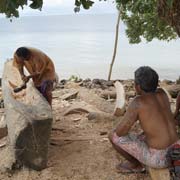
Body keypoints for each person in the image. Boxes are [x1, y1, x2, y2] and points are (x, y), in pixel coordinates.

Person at [109, 66, 179, 173]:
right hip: (177, 149)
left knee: (113, 135)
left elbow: (120, 132)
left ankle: (135, 165)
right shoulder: (162, 93)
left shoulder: (138, 102)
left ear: (138, 87)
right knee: (143, 134)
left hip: (160, 159)